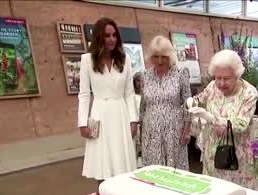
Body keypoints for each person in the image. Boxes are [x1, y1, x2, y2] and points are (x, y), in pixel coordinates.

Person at [77, 17, 138, 185]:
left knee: (122, 163)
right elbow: (83, 94)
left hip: (120, 114)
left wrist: (134, 120)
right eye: (107, 35)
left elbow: (129, 93)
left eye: (114, 35)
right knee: (102, 163)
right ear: (99, 37)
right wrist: (82, 123)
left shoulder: (125, 60)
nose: (112, 39)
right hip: (99, 113)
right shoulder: (87, 60)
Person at [188, 50, 258, 188]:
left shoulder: (249, 93)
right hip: (211, 155)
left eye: (226, 78)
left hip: (235, 158)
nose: (220, 83)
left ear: (237, 75)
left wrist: (211, 118)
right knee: (212, 194)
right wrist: (192, 101)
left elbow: (241, 124)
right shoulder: (212, 87)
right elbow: (200, 100)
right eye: (217, 77)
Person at [139, 36, 191, 169]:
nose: (160, 61)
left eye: (164, 56)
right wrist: (140, 129)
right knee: (154, 170)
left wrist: (187, 130)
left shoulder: (180, 74)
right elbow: (143, 105)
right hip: (151, 132)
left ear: (170, 56)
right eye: (156, 56)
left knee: (175, 172)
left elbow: (189, 104)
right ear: (151, 57)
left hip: (174, 131)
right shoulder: (145, 76)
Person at [133, 72, 143, 167]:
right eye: (138, 81)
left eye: (142, 80)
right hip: (137, 126)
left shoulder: (147, 96)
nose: (140, 83)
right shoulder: (133, 97)